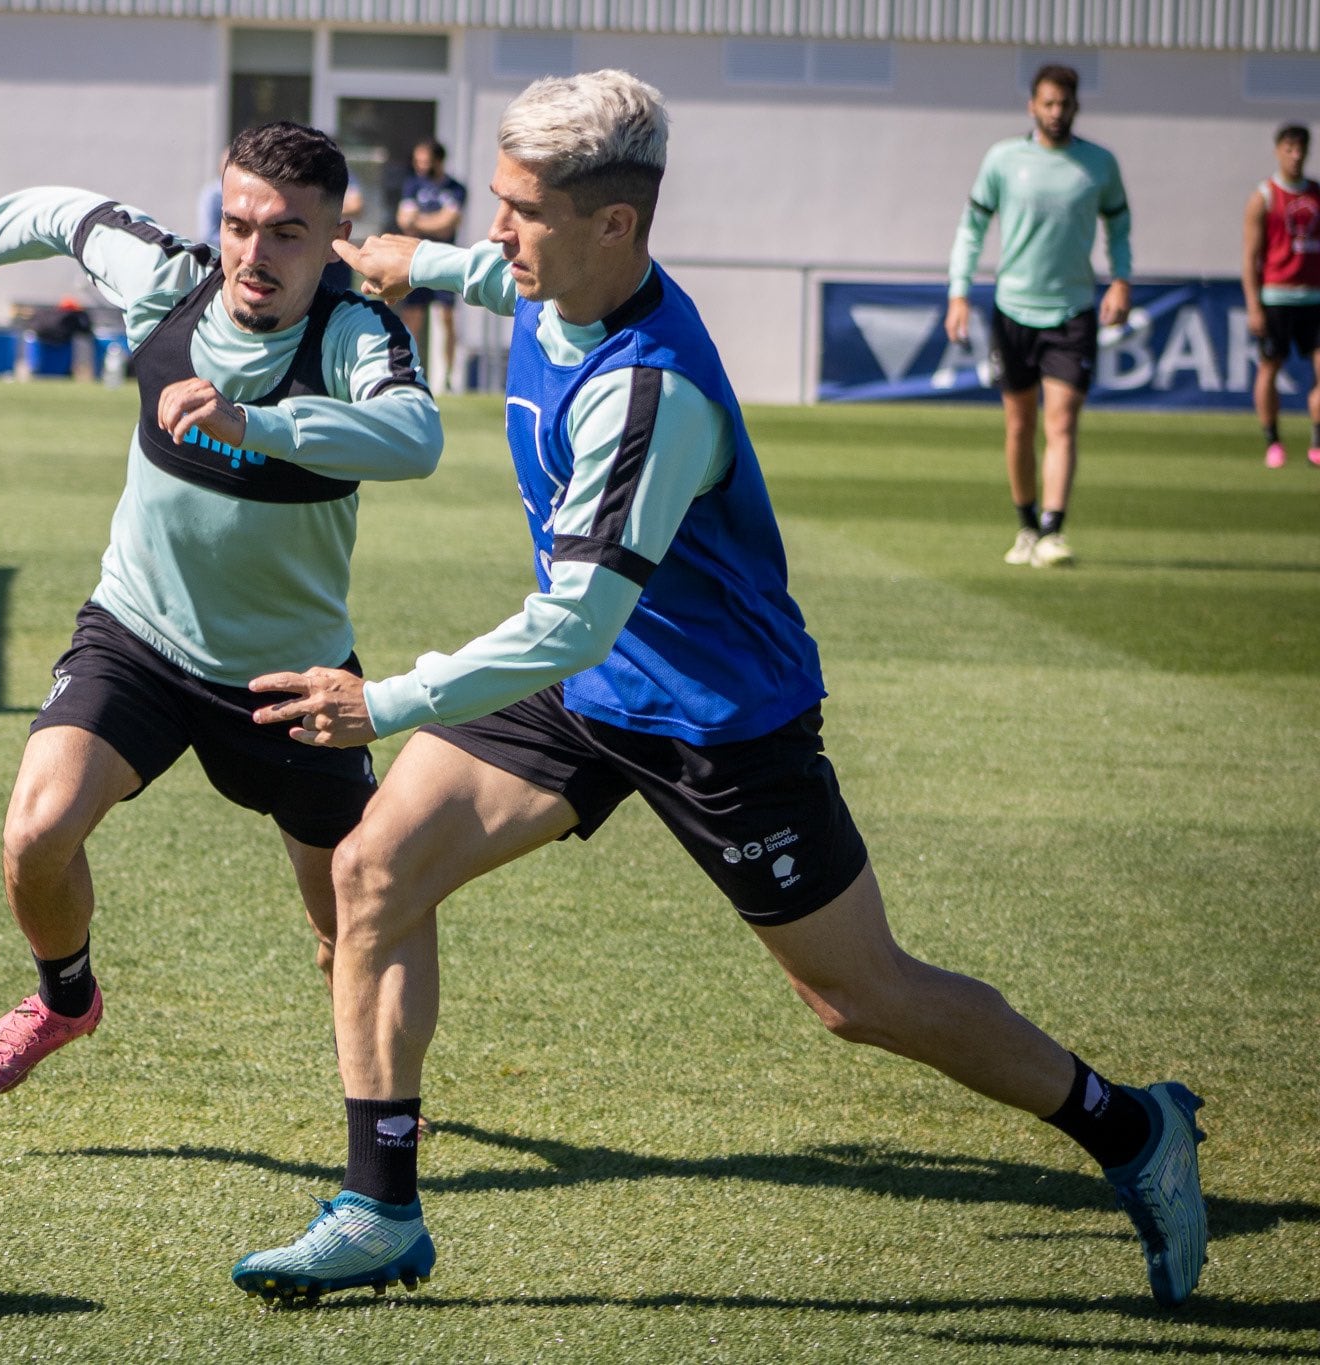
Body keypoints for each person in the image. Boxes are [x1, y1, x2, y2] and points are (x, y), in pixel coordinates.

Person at [233, 70, 1206, 1310]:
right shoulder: (552, 279)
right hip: (583, 688)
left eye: (519, 211)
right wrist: (392, 259)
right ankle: (378, 1209)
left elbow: (570, 617)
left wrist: (387, 703)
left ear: (613, 226)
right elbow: (478, 280)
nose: (496, 232)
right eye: (496, 201)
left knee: (857, 997)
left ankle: (1128, 1127)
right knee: (375, 868)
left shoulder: (652, 393)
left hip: (716, 721)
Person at [0, 122, 440, 1102]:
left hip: (292, 680)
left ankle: (374, 1131)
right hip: (139, 638)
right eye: (239, 223)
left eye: (287, 232)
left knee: (347, 935)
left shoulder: (352, 331)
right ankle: (64, 999)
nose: (254, 252)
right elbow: (60, 215)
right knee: (35, 833)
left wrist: (257, 424)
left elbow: (413, 437)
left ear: (332, 234)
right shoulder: (170, 281)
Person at [946, 65, 1132, 569]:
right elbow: (972, 227)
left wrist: (1121, 278)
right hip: (1012, 312)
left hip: (1073, 312)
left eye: (1063, 104)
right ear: (1032, 106)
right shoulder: (1005, 160)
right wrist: (958, 292)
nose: (1055, 112)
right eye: (1047, 103)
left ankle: (1053, 530)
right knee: (1018, 426)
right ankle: (1026, 526)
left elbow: (1118, 224)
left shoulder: (1098, 164)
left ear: (1075, 106)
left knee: (1062, 421)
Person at [1242, 122, 1320, 469]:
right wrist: (1253, 304)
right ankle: (1272, 440)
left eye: (1300, 148)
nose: (1295, 154)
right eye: (1289, 148)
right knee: (1269, 369)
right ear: (1278, 150)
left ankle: (1317, 442)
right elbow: (1250, 256)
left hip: (1314, 300)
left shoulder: (1317, 194)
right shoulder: (1265, 196)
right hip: (1276, 298)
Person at [393, 140, 468, 394]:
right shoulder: (412, 185)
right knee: (412, 317)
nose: (420, 165)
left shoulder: (455, 188)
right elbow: (404, 221)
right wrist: (432, 221)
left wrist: (420, 221)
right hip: (418, 260)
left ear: (438, 160)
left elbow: (448, 224)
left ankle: (447, 377)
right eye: (418, 160)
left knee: (446, 318)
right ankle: (409, 371)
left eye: (425, 160)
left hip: (447, 261)